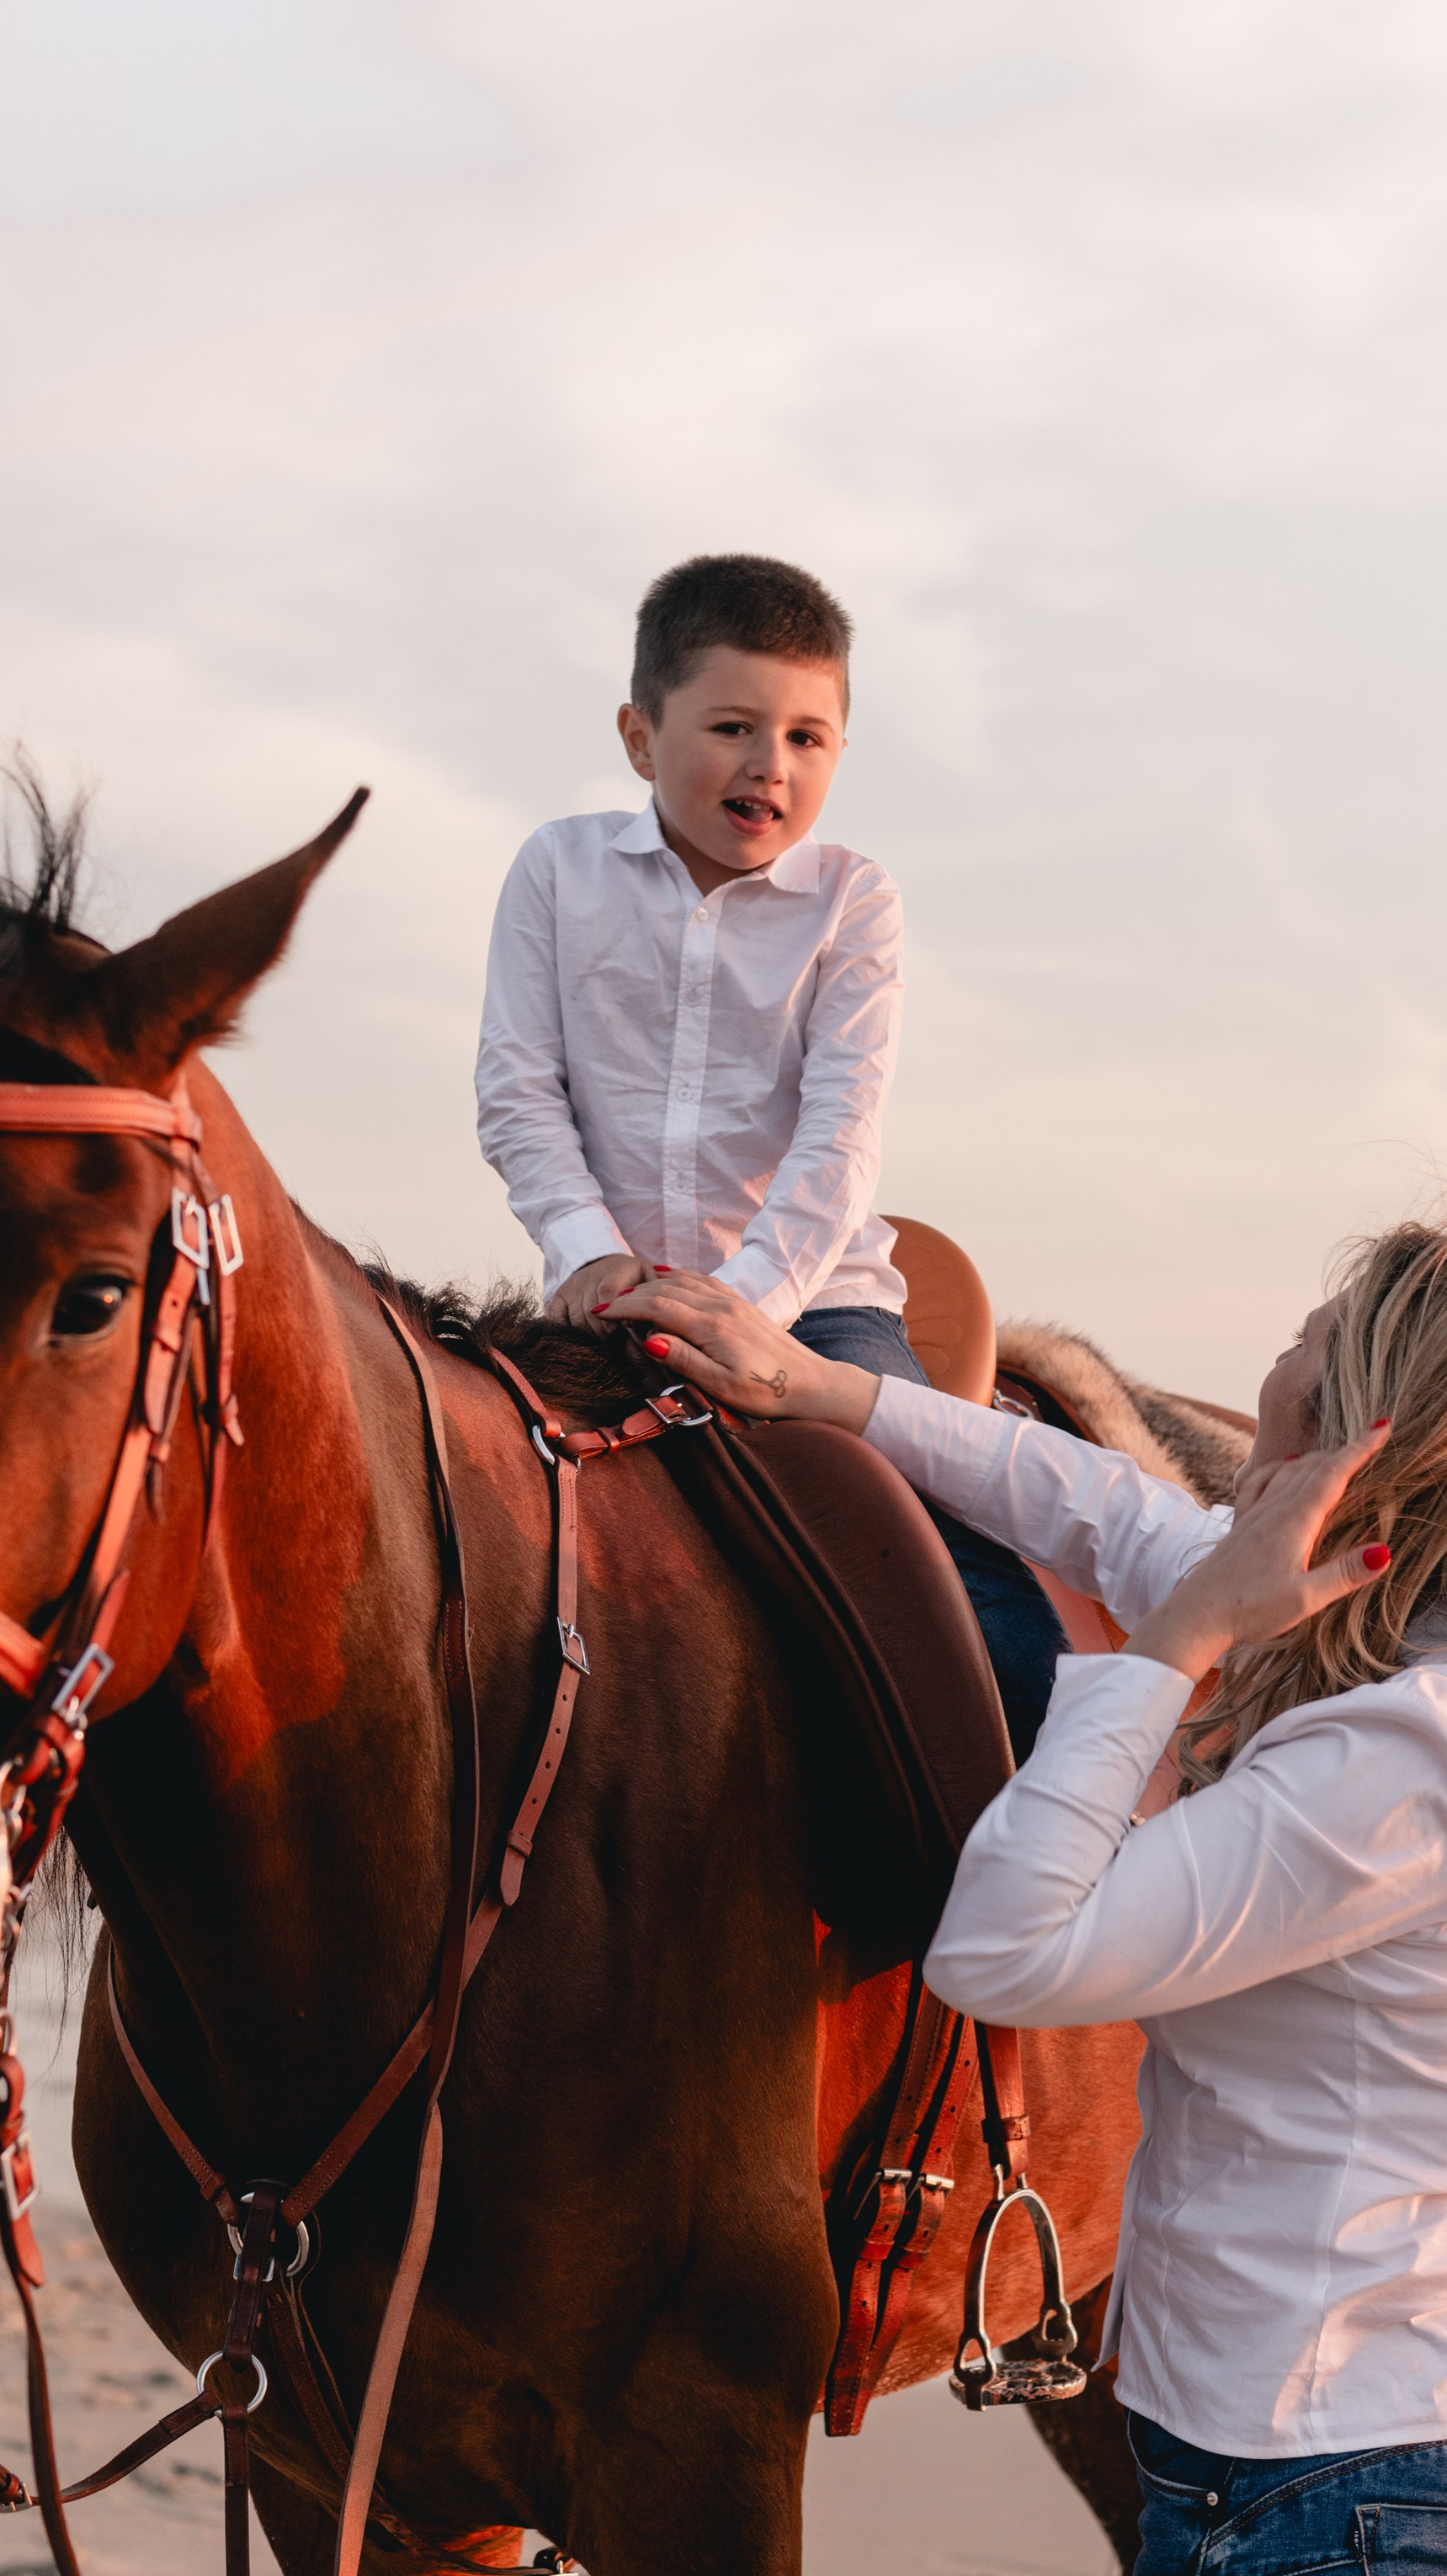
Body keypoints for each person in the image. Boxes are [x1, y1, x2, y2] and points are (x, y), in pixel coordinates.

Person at [609, 1220, 1447, 2576]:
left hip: (1352, 2516)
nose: (1276, 1357)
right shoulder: (1397, 1645)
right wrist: (825, 1391)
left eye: (1316, 1335)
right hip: (1382, 2472)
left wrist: (1171, 1644)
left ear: (1362, 1440)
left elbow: (1006, 1947)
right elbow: (1096, 1506)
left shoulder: (1409, 1762)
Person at [475, 550, 1067, 1748]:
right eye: (733, 727)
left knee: (954, 1554)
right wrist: (586, 1250)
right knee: (460, 1519)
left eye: (807, 737)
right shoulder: (557, 870)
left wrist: (747, 1312)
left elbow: (840, 1136)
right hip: (607, 1295)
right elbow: (518, 1093)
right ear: (641, 737)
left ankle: (1047, 1809)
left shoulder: (854, 901)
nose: (771, 765)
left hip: (809, 1306)